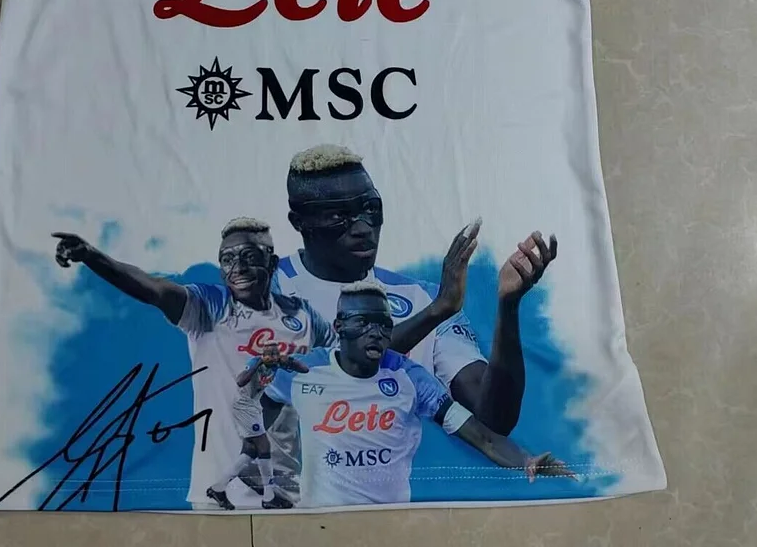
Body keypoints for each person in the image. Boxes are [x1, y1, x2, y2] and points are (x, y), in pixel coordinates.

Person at [275, 144, 558, 436]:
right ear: (299, 222)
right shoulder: (264, 291)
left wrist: (508, 305)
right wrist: (436, 311)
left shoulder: (420, 297)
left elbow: (493, 418)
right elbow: (324, 385)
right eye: (338, 216)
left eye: (370, 209)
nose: (363, 228)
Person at [53, 216, 333, 509]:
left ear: (272, 262)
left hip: (290, 494)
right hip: (220, 504)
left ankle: (243, 489)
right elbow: (155, 289)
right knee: (255, 447)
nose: (238, 268)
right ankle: (224, 487)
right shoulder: (210, 306)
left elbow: (339, 360)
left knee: (256, 449)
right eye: (228, 260)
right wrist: (92, 256)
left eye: (249, 257)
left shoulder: (301, 315)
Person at [260, 283, 573, 508]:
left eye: (384, 325)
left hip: (393, 523)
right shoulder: (303, 370)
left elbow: (482, 437)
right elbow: (259, 406)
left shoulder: (410, 376)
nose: (376, 333)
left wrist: (526, 461)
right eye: (364, 322)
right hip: (322, 524)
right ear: (339, 326)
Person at [205, 343, 310, 511]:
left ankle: (218, 488)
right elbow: (240, 381)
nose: (272, 357)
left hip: (254, 406)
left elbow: (305, 370)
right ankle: (269, 496)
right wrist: (258, 364)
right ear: (262, 355)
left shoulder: (277, 364)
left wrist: (290, 361)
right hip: (243, 406)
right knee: (264, 445)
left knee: (250, 450)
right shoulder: (255, 362)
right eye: (268, 354)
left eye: (274, 354)